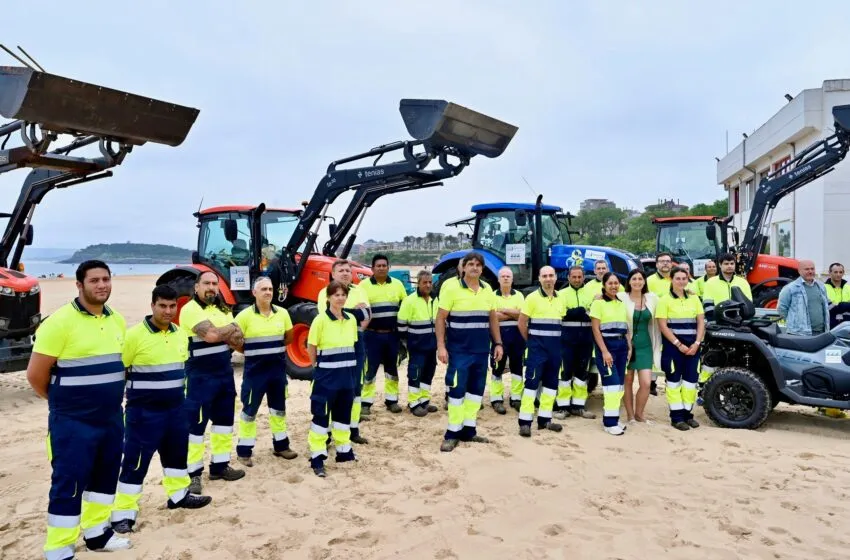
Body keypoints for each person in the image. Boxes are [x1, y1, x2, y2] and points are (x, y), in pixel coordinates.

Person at [27, 260, 132, 558]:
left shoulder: (117, 320)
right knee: (69, 483)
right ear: (79, 285)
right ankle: (59, 548)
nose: (101, 285)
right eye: (94, 280)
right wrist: (65, 403)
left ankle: (97, 534)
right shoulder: (59, 323)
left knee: (104, 478)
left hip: (111, 418)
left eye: (106, 279)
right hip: (73, 422)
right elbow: (35, 376)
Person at [111, 285, 212, 534]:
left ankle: (179, 496)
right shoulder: (134, 336)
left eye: (172, 306)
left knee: (177, 456)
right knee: (135, 463)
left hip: (176, 411)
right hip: (143, 413)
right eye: (162, 306)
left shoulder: (180, 334)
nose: (168, 311)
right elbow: (119, 372)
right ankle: (124, 513)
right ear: (152, 305)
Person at [179, 271, 246, 495]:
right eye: (206, 283)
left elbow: (239, 342)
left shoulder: (221, 309)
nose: (211, 287)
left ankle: (219, 466)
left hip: (224, 376)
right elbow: (211, 336)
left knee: (223, 425)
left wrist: (228, 332)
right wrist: (232, 328)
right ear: (196, 287)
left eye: (215, 284)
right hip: (199, 377)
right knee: (195, 428)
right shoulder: (190, 309)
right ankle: (193, 474)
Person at [436, 252, 503, 452]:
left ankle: (469, 430)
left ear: (482, 269)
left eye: (478, 265)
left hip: (482, 351)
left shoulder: (488, 289)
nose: (474, 267)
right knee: (456, 391)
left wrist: (498, 343)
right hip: (459, 351)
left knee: (475, 392)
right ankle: (452, 433)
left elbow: (492, 318)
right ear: (463, 267)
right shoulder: (451, 289)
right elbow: (440, 319)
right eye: (470, 264)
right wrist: (441, 345)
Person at [233, 277, 298, 467]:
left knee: (279, 411)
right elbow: (234, 340)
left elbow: (289, 337)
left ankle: (281, 446)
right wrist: (252, 353)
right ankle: (244, 452)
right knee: (249, 412)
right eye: (263, 289)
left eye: (270, 288)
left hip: (277, 372)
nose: (268, 292)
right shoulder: (244, 316)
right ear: (254, 293)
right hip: (255, 374)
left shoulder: (283, 313)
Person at [306, 280, 359, 477]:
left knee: (343, 416)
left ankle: (344, 451)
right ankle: (317, 456)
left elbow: (351, 345)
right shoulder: (320, 320)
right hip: (326, 378)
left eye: (343, 294)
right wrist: (316, 367)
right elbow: (311, 346)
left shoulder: (351, 320)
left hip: (347, 377)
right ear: (328, 298)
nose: (341, 298)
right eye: (336, 295)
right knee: (321, 417)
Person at [317, 259, 370, 443]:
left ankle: (353, 430)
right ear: (333, 274)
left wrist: (347, 314)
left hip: (356, 341)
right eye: (341, 270)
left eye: (348, 270)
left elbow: (367, 315)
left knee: (355, 387)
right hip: (333, 344)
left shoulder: (360, 290)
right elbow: (329, 314)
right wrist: (354, 313)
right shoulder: (324, 292)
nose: (346, 273)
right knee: (333, 389)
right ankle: (330, 431)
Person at [517, 266, 565, 437]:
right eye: (544, 275)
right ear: (539, 278)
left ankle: (545, 420)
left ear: (556, 277)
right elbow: (522, 323)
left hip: (555, 351)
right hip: (537, 351)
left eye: (551, 275)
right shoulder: (532, 298)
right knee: (530, 385)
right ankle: (525, 422)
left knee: (551, 386)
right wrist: (530, 342)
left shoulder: (561, 298)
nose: (548, 279)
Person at [656, 267, 705, 431]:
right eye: (678, 278)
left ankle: (687, 415)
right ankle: (676, 418)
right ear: (671, 280)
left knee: (691, 384)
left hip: (693, 348)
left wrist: (697, 343)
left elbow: (700, 322)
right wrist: (679, 344)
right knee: (674, 383)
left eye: (684, 278)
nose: (681, 281)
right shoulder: (664, 300)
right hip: (673, 349)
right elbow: (663, 326)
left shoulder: (694, 298)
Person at [361, 254, 409, 413]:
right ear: (372, 268)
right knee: (370, 369)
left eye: (384, 265)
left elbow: (405, 307)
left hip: (392, 335)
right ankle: (366, 403)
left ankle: (392, 401)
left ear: (389, 267)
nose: (381, 268)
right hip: (371, 335)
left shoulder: (398, 285)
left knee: (392, 369)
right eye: (378, 266)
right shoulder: (363, 286)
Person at [589, 272, 632, 436]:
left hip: (621, 347)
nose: (614, 286)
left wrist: (629, 347)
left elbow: (625, 327)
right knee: (611, 385)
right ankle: (609, 423)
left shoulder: (620, 303)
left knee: (619, 385)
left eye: (616, 283)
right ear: (604, 285)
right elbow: (595, 330)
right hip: (607, 347)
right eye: (610, 283)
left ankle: (614, 417)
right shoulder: (598, 304)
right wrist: (605, 351)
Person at [617, 269, 661, 424]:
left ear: (644, 281)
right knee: (627, 381)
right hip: (625, 345)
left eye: (640, 279)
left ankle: (639, 414)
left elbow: (669, 298)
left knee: (646, 383)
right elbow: (605, 296)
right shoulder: (621, 297)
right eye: (634, 279)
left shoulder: (652, 298)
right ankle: (630, 416)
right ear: (629, 281)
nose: (637, 282)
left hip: (645, 345)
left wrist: (689, 291)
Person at [555, 265, 596, 420]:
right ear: (568, 277)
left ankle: (579, 406)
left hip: (585, 339)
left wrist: (575, 312)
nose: (577, 280)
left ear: (583, 277)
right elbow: (562, 314)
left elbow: (593, 314)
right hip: (566, 339)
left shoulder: (591, 293)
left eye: (579, 277)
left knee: (582, 373)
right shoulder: (561, 294)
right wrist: (581, 311)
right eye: (574, 277)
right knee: (565, 373)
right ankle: (563, 407)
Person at [397, 270, 439, 416]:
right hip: (416, 346)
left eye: (430, 282)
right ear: (418, 283)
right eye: (424, 282)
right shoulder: (409, 301)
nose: (428, 285)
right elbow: (401, 324)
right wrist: (407, 342)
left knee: (428, 373)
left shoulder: (436, 300)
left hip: (432, 346)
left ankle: (424, 401)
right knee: (415, 374)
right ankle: (413, 403)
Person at [490, 266, 525, 414]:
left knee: (517, 368)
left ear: (512, 279)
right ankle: (496, 399)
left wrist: (503, 311)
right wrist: (512, 313)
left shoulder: (519, 295)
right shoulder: (492, 296)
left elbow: (522, 315)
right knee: (497, 368)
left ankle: (516, 398)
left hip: (517, 337)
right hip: (499, 337)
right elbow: (492, 317)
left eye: (508, 276)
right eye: (503, 276)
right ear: (498, 279)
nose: (505, 278)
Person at [777, 259, 830, 335]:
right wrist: (794, 324)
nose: (810, 271)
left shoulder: (821, 286)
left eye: (812, 269)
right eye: (807, 269)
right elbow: (781, 309)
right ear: (799, 271)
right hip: (799, 334)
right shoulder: (790, 288)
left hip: (821, 332)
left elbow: (825, 306)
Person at [701, 252, 753, 319]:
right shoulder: (710, 282)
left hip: (740, 321)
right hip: (719, 322)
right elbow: (708, 305)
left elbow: (748, 304)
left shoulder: (743, 282)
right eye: (726, 264)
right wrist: (714, 321)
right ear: (720, 265)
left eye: (732, 263)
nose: (729, 266)